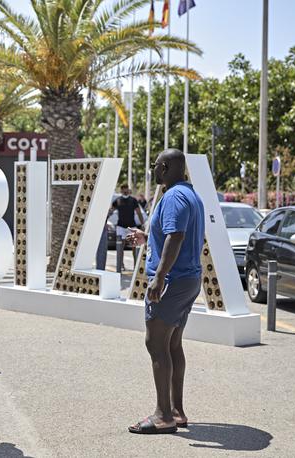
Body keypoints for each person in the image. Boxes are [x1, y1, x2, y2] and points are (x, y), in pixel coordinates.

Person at [126, 148, 205, 435]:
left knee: (156, 344)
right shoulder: (190, 194)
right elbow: (172, 234)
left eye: (156, 165)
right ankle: (176, 410)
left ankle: (163, 416)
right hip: (188, 280)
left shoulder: (173, 196)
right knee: (172, 345)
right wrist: (147, 238)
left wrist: (159, 277)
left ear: (166, 167)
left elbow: (176, 236)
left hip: (172, 281)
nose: (153, 170)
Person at [110, 184, 145, 270]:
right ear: (121, 190)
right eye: (123, 189)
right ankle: (121, 265)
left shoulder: (133, 200)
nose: (125, 190)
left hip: (131, 226)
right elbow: (111, 210)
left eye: (126, 189)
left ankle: (135, 266)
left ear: (128, 190)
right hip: (120, 226)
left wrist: (142, 224)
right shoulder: (117, 200)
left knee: (134, 246)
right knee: (120, 247)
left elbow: (139, 212)